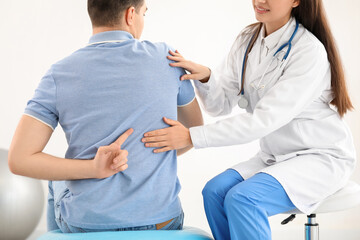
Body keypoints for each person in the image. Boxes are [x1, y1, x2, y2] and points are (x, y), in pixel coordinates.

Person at [141, 0, 356, 239]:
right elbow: (219, 106)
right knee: (214, 192)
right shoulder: (248, 39)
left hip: (319, 157)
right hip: (275, 156)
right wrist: (206, 78)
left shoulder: (308, 51)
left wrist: (191, 137)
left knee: (244, 199)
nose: (260, 1)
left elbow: (263, 121)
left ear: (296, 1)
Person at [8, 0, 203, 233]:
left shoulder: (58, 74)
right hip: (161, 222)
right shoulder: (168, 59)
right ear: (131, 15)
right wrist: (150, 152)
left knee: (56, 182)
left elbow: (20, 159)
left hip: (88, 224)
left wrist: (93, 169)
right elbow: (195, 130)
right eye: (143, 13)